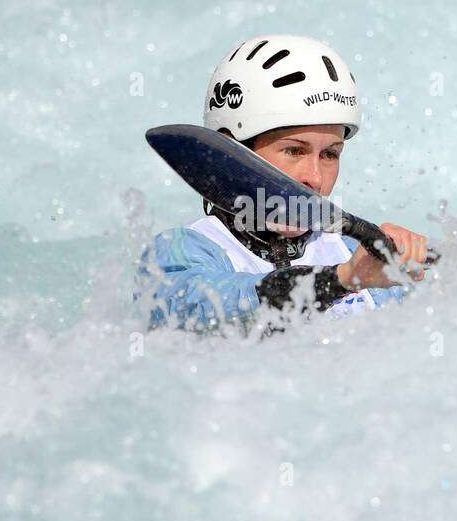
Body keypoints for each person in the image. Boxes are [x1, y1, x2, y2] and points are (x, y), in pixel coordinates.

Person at [140, 34, 430, 332]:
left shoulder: (357, 258)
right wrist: (341, 280)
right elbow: (200, 311)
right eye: (294, 150)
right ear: (229, 153)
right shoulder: (180, 254)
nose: (315, 179)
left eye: (330, 154)